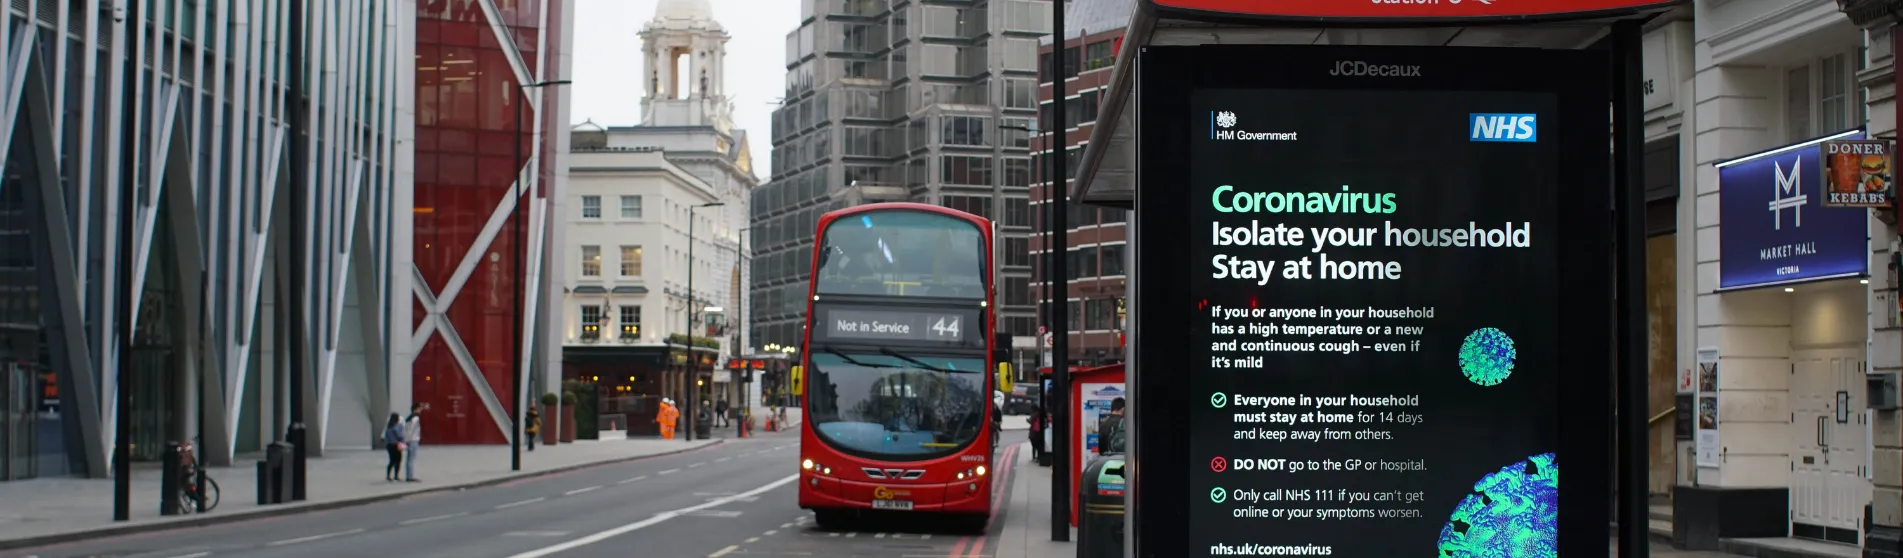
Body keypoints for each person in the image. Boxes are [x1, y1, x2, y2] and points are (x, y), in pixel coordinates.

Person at [402, 403, 425, 482]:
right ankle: (410, 476)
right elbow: (411, 430)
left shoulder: (409, 417)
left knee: (409, 459)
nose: (421, 410)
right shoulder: (415, 418)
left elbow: (406, 429)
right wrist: (408, 440)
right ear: (416, 409)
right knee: (411, 459)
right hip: (413, 440)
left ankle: (409, 475)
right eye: (419, 408)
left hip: (410, 440)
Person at [381, 413, 405, 481]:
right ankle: (396, 476)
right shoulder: (396, 427)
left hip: (389, 445)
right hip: (396, 445)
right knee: (398, 461)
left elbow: (386, 436)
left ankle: (388, 475)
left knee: (391, 461)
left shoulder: (388, 427)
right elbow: (400, 436)